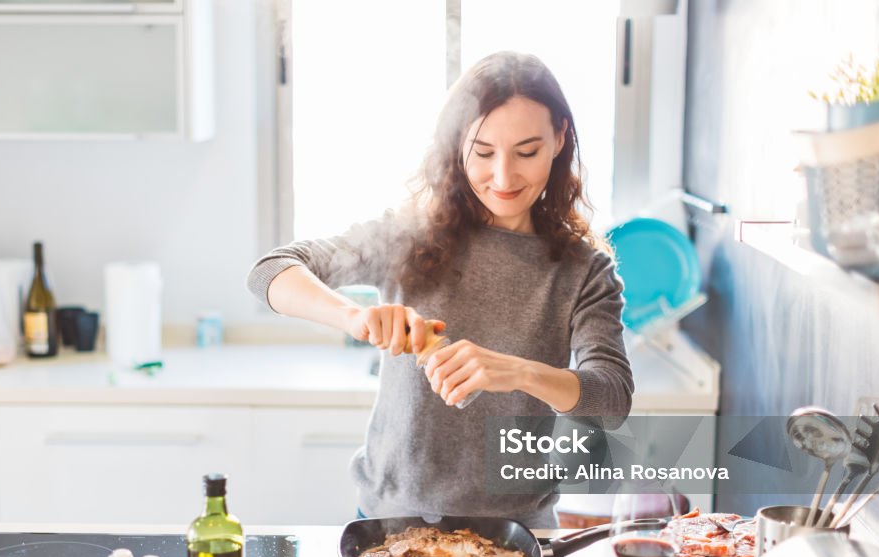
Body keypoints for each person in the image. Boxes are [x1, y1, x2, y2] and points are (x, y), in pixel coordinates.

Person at [247, 52, 633, 528]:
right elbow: (270, 271)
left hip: (520, 531)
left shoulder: (583, 270)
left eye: (527, 152)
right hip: (391, 522)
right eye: (483, 152)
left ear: (559, 138)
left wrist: (519, 372)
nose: (504, 177)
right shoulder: (408, 237)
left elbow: (612, 399)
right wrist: (356, 318)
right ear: (456, 144)